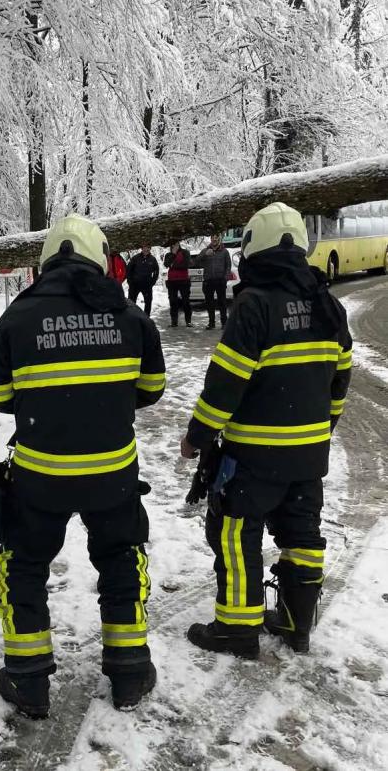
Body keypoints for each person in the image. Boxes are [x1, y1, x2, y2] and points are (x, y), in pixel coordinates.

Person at [0, 214, 166, 718]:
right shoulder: (131, 317)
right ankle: (129, 671)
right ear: (100, 260)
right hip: (113, 474)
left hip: (41, 475)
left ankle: (27, 679)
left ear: (46, 262)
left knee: (24, 565)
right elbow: (152, 389)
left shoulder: (18, 316)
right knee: (121, 559)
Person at [180, 202, 352, 658]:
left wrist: (197, 437)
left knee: (236, 534)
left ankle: (237, 629)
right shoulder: (329, 306)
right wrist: (321, 429)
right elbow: (340, 379)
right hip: (309, 455)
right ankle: (297, 624)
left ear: (253, 250)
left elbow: (226, 383)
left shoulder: (254, 305)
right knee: (302, 535)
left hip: (253, 457)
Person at [201, 234, 232, 330]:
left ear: (219, 239)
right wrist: (205, 254)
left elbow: (228, 266)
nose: (214, 239)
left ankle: (224, 323)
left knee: (222, 303)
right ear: (210, 239)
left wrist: (225, 278)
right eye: (213, 238)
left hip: (220, 280)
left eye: (216, 238)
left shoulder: (224, 251)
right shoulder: (205, 250)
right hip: (208, 280)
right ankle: (211, 323)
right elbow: (196, 262)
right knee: (209, 303)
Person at [163, 243, 192, 327]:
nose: (174, 246)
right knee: (173, 301)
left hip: (184, 280)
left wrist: (173, 265)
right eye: (173, 244)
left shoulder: (185, 252)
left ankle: (188, 321)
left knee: (186, 301)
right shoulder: (168, 254)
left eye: (176, 244)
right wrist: (173, 254)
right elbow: (166, 264)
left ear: (179, 244)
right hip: (172, 281)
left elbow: (186, 264)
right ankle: (174, 322)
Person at [126, 244, 159, 316]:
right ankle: (132, 317)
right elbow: (128, 270)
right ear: (142, 248)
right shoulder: (135, 258)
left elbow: (156, 271)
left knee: (148, 302)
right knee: (131, 302)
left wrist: (153, 282)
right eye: (144, 248)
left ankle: (146, 318)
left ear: (150, 249)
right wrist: (130, 281)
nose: (146, 249)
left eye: (148, 248)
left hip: (147, 285)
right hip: (135, 285)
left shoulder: (152, 259)